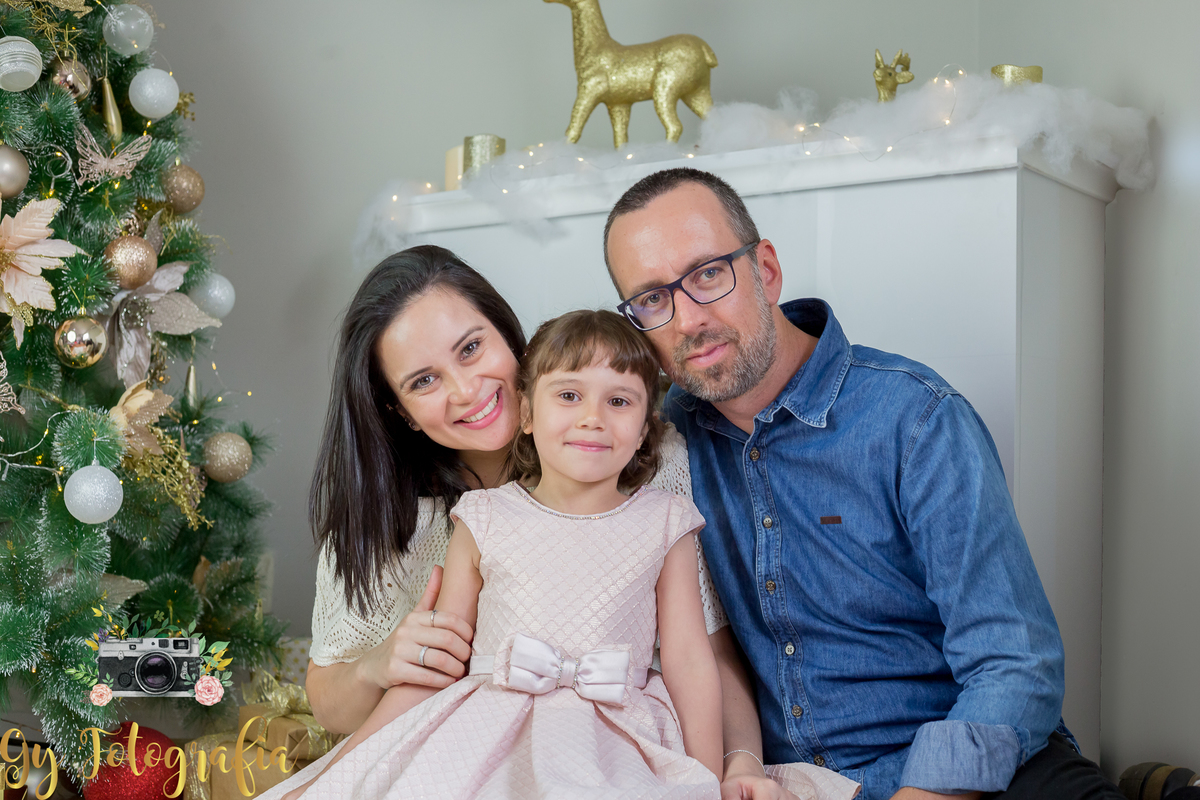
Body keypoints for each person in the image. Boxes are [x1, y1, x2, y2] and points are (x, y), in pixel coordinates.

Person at [602, 167, 1125, 800]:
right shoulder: (656, 444)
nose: (686, 320)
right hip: (788, 784)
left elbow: (1015, 662)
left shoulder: (918, 419)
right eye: (653, 299)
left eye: (709, 274)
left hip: (970, 772)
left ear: (765, 269)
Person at [270, 310, 858, 799]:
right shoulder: (481, 517)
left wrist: (707, 777)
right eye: (569, 396)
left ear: (647, 426)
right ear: (528, 413)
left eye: (620, 402)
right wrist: (343, 774)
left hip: (617, 734)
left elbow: (690, 657)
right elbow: (436, 667)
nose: (591, 419)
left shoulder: (664, 519)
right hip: (487, 733)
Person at [300, 249, 728, 754]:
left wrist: (728, 768)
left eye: (471, 348)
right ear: (402, 411)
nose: (465, 390)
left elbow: (705, 657)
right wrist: (378, 665)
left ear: (507, 335)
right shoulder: (403, 519)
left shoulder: (651, 476)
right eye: (424, 381)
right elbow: (331, 701)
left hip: (626, 751)